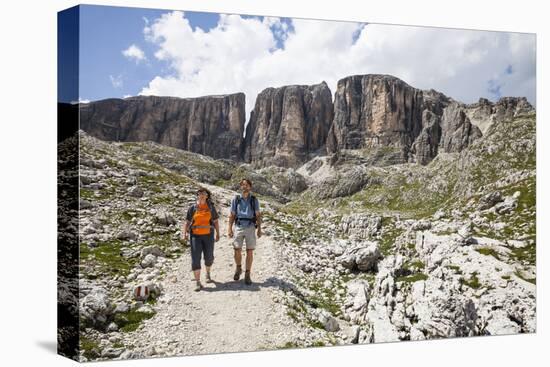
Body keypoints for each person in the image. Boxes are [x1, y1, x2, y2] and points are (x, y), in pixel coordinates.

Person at [182, 187, 220, 291]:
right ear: (197, 195)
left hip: (208, 235)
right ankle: (198, 282)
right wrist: (184, 233)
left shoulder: (211, 207)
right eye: (199, 193)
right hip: (195, 236)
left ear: (207, 196)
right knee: (195, 258)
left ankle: (207, 273)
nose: (201, 195)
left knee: (209, 257)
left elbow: (215, 221)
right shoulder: (193, 208)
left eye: (203, 193)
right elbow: (187, 222)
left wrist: (218, 233)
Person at [228, 178, 262, 285]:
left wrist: (259, 229)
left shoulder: (254, 200)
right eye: (243, 185)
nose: (245, 186)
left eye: (247, 185)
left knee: (250, 251)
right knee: (236, 249)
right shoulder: (236, 199)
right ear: (240, 186)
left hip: (251, 227)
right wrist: (229, 228)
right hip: (239, 226)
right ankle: (238, 268)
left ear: (250, 187)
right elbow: (232, 214)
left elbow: (258, 215)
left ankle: (247, 274)